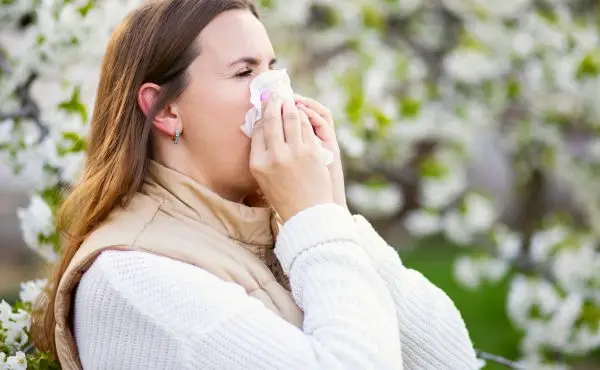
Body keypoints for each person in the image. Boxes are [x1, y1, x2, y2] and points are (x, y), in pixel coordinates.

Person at [30, 0, 482, 369]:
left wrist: (332, 214)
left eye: (272, 70)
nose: (276, 95)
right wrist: (315, 223)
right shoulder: (133, 280)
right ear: (165, 110)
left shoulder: (276, 231)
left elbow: (450, 361)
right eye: (245, 73)